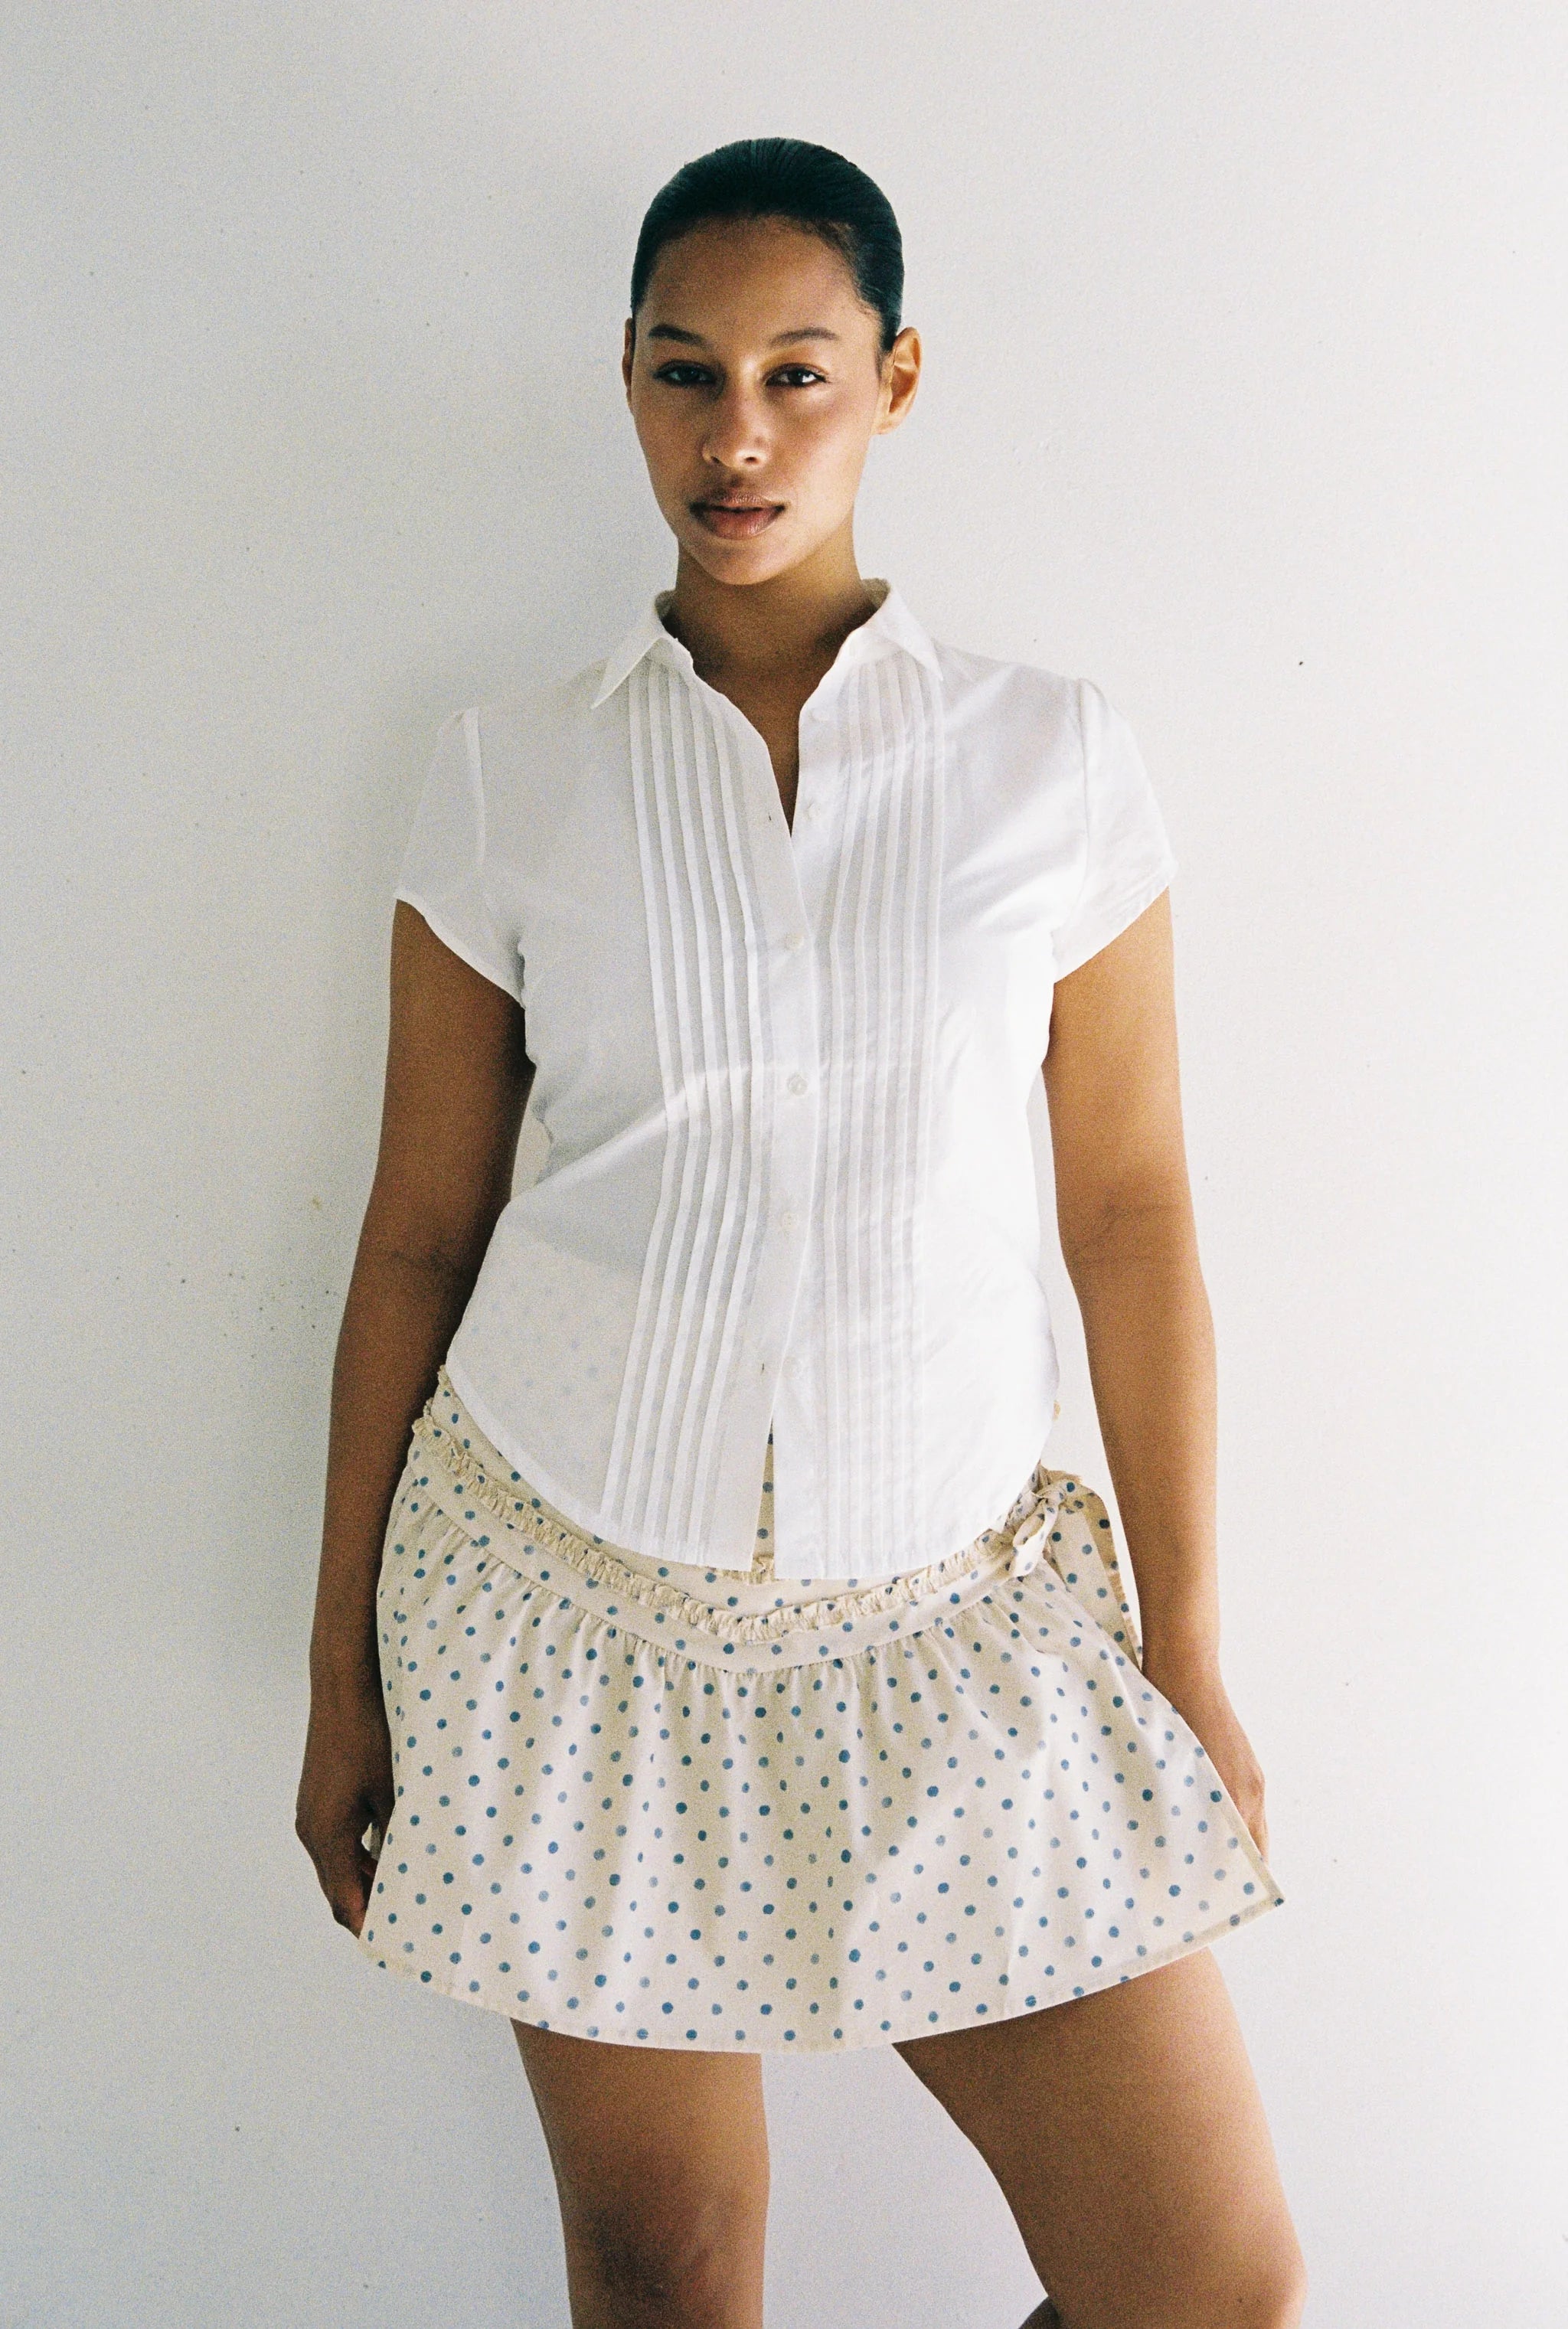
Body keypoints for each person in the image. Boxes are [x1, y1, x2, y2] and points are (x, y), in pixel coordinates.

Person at [296, 136, 1307, 2329]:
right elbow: (421, 1232)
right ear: (627, 382)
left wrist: (1189, 1648)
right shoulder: (508, 772)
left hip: (958, 1629)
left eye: (796, 373)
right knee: (667, 2276)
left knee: (1206, 2289)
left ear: (895, 380)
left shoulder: (1051, 758)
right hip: (564, 1615)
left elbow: (1131, 1214)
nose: (735, 435)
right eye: (685, 373)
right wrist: (339, 1670)